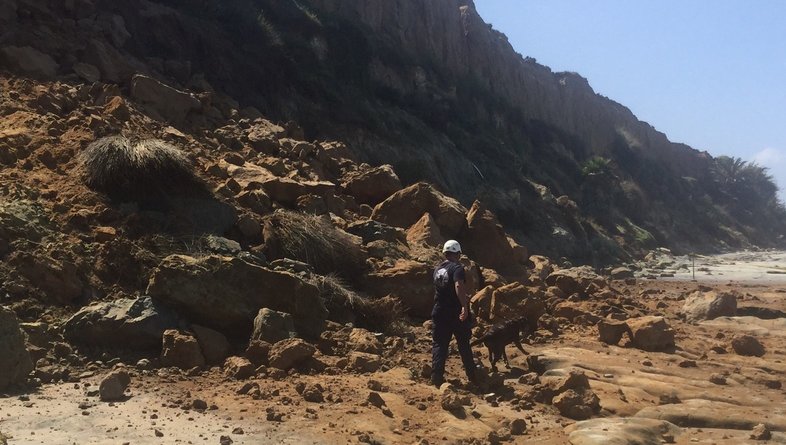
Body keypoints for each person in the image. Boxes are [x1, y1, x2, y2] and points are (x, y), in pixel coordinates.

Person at [431, 240, 476, 388]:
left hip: (439, 310)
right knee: (464, 343)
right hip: (454, 312)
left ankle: (436, 377)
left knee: (439, 344)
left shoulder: (437, 269)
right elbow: (458, 285)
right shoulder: (457, 268)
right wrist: (464, 306)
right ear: (458, 253)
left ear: (445, 253)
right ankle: (473, 376)